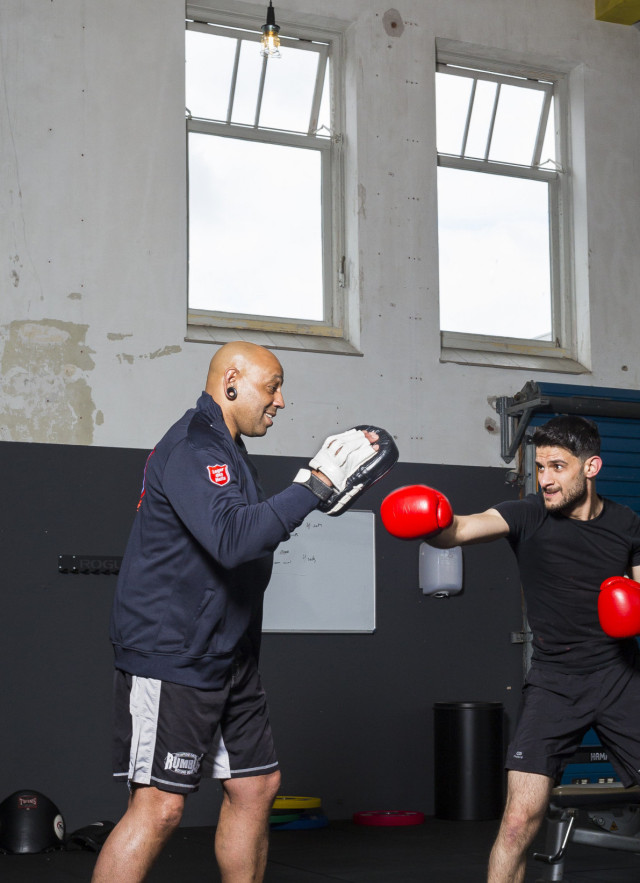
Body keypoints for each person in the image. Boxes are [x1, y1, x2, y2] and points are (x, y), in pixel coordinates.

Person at [92, 341, 389, 883]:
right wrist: (315, 484)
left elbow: (250, 534)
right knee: (160, 807)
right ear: (231, 381)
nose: (280, 400)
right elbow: (232, 541)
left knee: (256, 787)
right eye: (272, 386)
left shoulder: (228, 450)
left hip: (229, 654)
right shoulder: (192, 447)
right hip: (173, 655)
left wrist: (316, 495)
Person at [380, 415, 640, 883]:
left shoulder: (628, 525)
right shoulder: (525, 515)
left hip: (620, 677)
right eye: (540, 467)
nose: (546, 479)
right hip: (555, 683)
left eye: (558, 467)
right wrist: (432, 523)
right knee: (518, 820)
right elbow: (459, 529)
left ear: (591, 467)